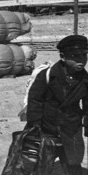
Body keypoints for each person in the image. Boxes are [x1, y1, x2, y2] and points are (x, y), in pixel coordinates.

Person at [26, 35, 88, 175]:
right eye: (75, 56)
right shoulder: (47, 75)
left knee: (73, 166)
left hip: (71, 129)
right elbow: (35, 99)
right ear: (63, 57)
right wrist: (34, 124)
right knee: (42, 166)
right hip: (47, 128)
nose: (81, 60)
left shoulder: (85, 80)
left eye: (84, 55)